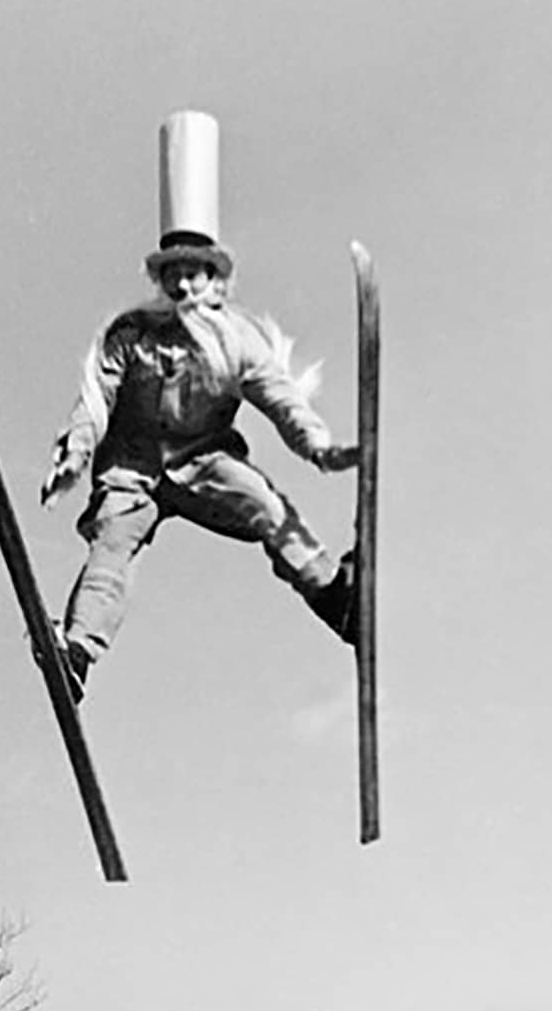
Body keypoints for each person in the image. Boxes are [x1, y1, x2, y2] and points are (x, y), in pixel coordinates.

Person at [39, 111, 358, 700]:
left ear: (216, 280)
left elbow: (280, 397)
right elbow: (95, 399)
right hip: (130, 470)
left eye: (197, 276)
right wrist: (75, 453)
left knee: (264, 503)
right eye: (175, 277)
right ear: (162, 281)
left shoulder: (235, 338)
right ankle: (78, 651)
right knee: (112, 546)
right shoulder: (130, 334)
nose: (185, 288)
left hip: (203, 460)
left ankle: (335, 596)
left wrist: (321, 448)